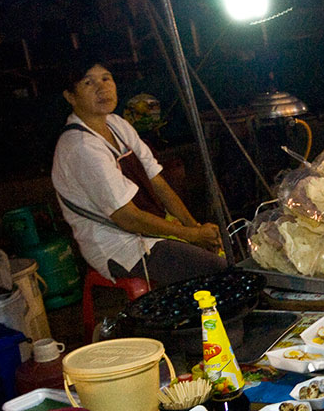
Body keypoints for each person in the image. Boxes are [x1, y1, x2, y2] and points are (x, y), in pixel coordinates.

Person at [52, 59, 227, 286]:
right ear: (70, 96)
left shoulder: (117, 124)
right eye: (88, 83)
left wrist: (194, 227)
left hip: (148, 230)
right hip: (120, 245)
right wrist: (192, 236)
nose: (102, 88)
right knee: (217, 269)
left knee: (222, 251)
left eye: (106, 78)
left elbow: (157, 182)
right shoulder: (82, 147)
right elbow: (127, 218)